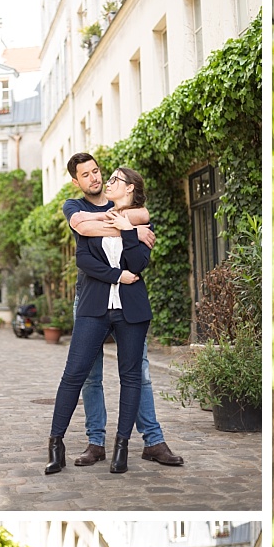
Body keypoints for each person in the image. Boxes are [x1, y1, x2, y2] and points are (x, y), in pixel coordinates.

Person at [61, 152, 184, 468]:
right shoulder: (75, 207)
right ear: (76, 181)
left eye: (97, 171)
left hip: (126, 300)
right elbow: (83, 228)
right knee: (90, 375)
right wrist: (130, 230)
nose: (95, 178)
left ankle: (153, 441)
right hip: (90, 298)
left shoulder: (127, 205)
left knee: (138, 372)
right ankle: (95, 442)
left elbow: (142, 215)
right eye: (85, 175)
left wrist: (130, 226)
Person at [44, 165, 152, 475]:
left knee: (131, 377)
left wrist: (129, 232)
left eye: (115, 179)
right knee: (74, 373)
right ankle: (55, 445)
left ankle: (122, 448)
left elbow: (139, 263)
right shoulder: (94, 213)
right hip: (94, 306)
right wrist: (118, 274)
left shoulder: (140, 219)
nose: (106, 181)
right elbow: (84, 258)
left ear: (129, 188)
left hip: (132, 310)